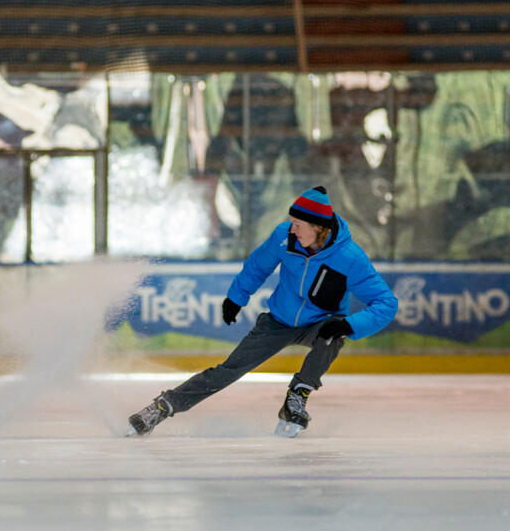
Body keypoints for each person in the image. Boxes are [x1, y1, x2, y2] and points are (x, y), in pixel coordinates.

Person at [127, 186, 398, 438]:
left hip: (320, 324)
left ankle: (297, 397)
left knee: (333, 334)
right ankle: (164, 406)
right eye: (292, 222)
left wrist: (349, 325)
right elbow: (258, 266)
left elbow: (386, 302)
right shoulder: (284, 237)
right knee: (228, 370)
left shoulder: (349, 257)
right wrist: (236, 297)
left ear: (318, 227)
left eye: (298, 224)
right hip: (278, 322)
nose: (292, 229)